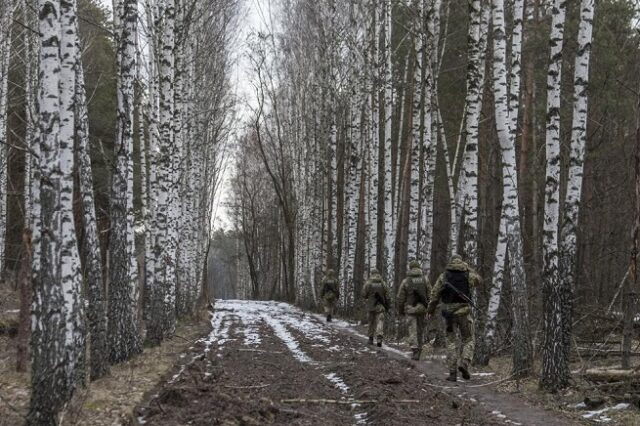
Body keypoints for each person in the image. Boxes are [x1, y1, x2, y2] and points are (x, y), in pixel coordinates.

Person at [427, 254, 481, 382]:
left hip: (449, 315)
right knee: (468, 339)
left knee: (451, 342)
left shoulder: (444, 276)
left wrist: (430, 310)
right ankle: (465, 363)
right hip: (464, 312)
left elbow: (434, 294)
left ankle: (452, 373)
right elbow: (479, 280)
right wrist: (469, 269)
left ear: (450, 262)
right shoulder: (468, 275)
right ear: (461, 262)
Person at [397, 260, 431, 360]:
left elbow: (400, 298)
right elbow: (430, 295)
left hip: (410, 309)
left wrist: (401, 311)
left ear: (410, 268)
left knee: (413, 330)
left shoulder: (406, 281)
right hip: (422, 308)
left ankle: (415, 350)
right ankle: (420, 348)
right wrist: (429, 308)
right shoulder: (425, 279)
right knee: (420, 329)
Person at [362, 268, 389, 347]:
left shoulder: (368, 283)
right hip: (380, 306)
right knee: (380, 322)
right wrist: (387, 305)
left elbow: (364, 294)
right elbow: (387, 295)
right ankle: (379, 338)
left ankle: (370, 339)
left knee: (371, 322)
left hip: (371, 306)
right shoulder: (383, 283)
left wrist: (369, 297)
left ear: (371, 274)